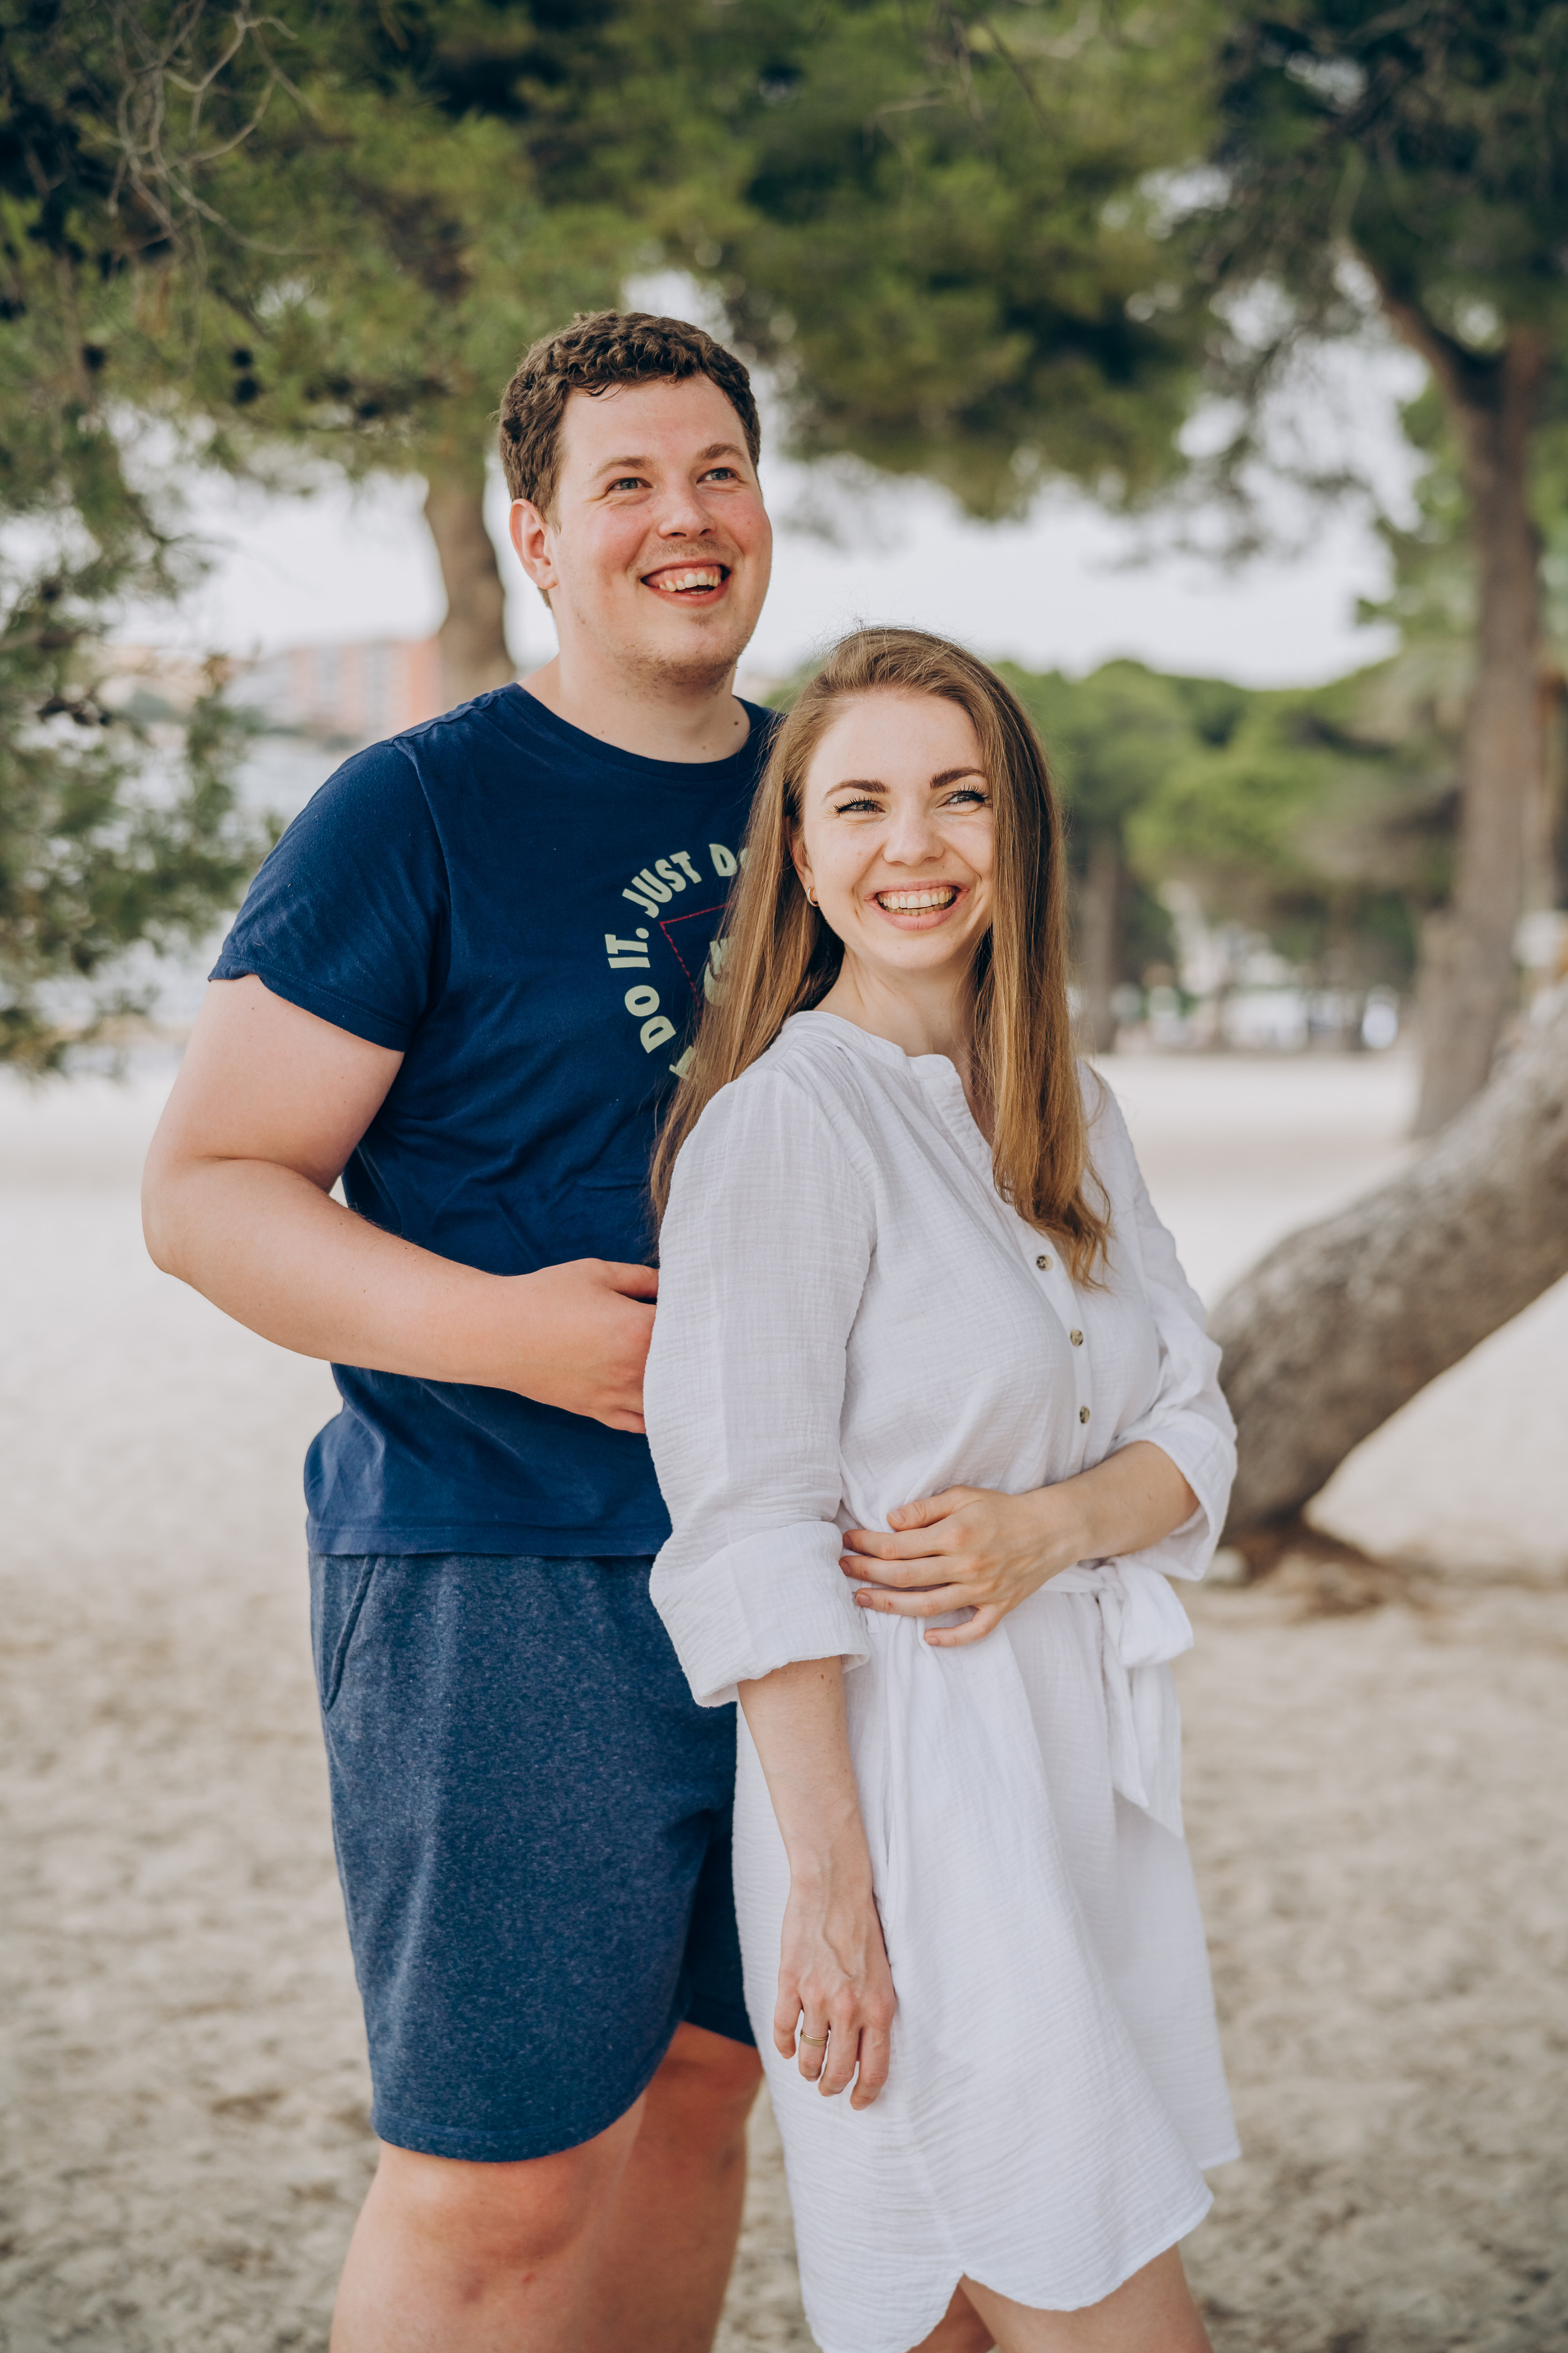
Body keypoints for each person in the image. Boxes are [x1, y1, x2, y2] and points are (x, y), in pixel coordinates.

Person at [140, 311, 776, 2353]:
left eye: (718, 472)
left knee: (708, 2095)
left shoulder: (843, 805)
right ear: (536, 532)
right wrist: (517, 1338)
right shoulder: (413, 810)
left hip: (804, 1576)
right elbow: (211, 1189)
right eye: (628, 483)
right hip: (505, 1562)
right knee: (494, 2186)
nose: (685, 520)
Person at [645, 626, 1240, 2353]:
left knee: (955, 2320)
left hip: (1074, 1790)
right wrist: (831, 1898)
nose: (917, 847)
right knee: (1087, 2295)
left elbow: (1198, 1430)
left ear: (1018, 831)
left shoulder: (1072, 1106)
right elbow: (749, 1533)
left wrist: (1053, 1527)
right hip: (909, 1811)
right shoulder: (782, 1129)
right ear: (803, 855)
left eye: (960, 797)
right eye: (865, 805)